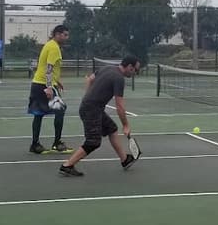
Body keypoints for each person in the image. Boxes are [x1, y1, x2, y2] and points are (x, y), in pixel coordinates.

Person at [58, 55, 140, 177]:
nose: (136, 74)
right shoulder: (119, 79)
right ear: (129, 67)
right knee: (93, 142)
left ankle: (125, 160)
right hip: (92, 110)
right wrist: (126, 125)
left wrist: (88, 97)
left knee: (112, 129)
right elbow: (120, 107)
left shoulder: (108, 68)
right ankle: (67, 165)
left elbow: (89, 79)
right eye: (136, 70)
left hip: (92, 108)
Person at [28, 25, 71, 154]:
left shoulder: (49, 45)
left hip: (37, 84)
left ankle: (35, 145)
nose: (66, 37)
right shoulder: (54, 47)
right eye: (64, 34)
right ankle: (57, 143)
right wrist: (49, 87)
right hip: (44, 85)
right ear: (57, 34)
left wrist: (57, 81)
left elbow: (46, 66)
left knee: (38, 114)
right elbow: (49, 68)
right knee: (60, 110)